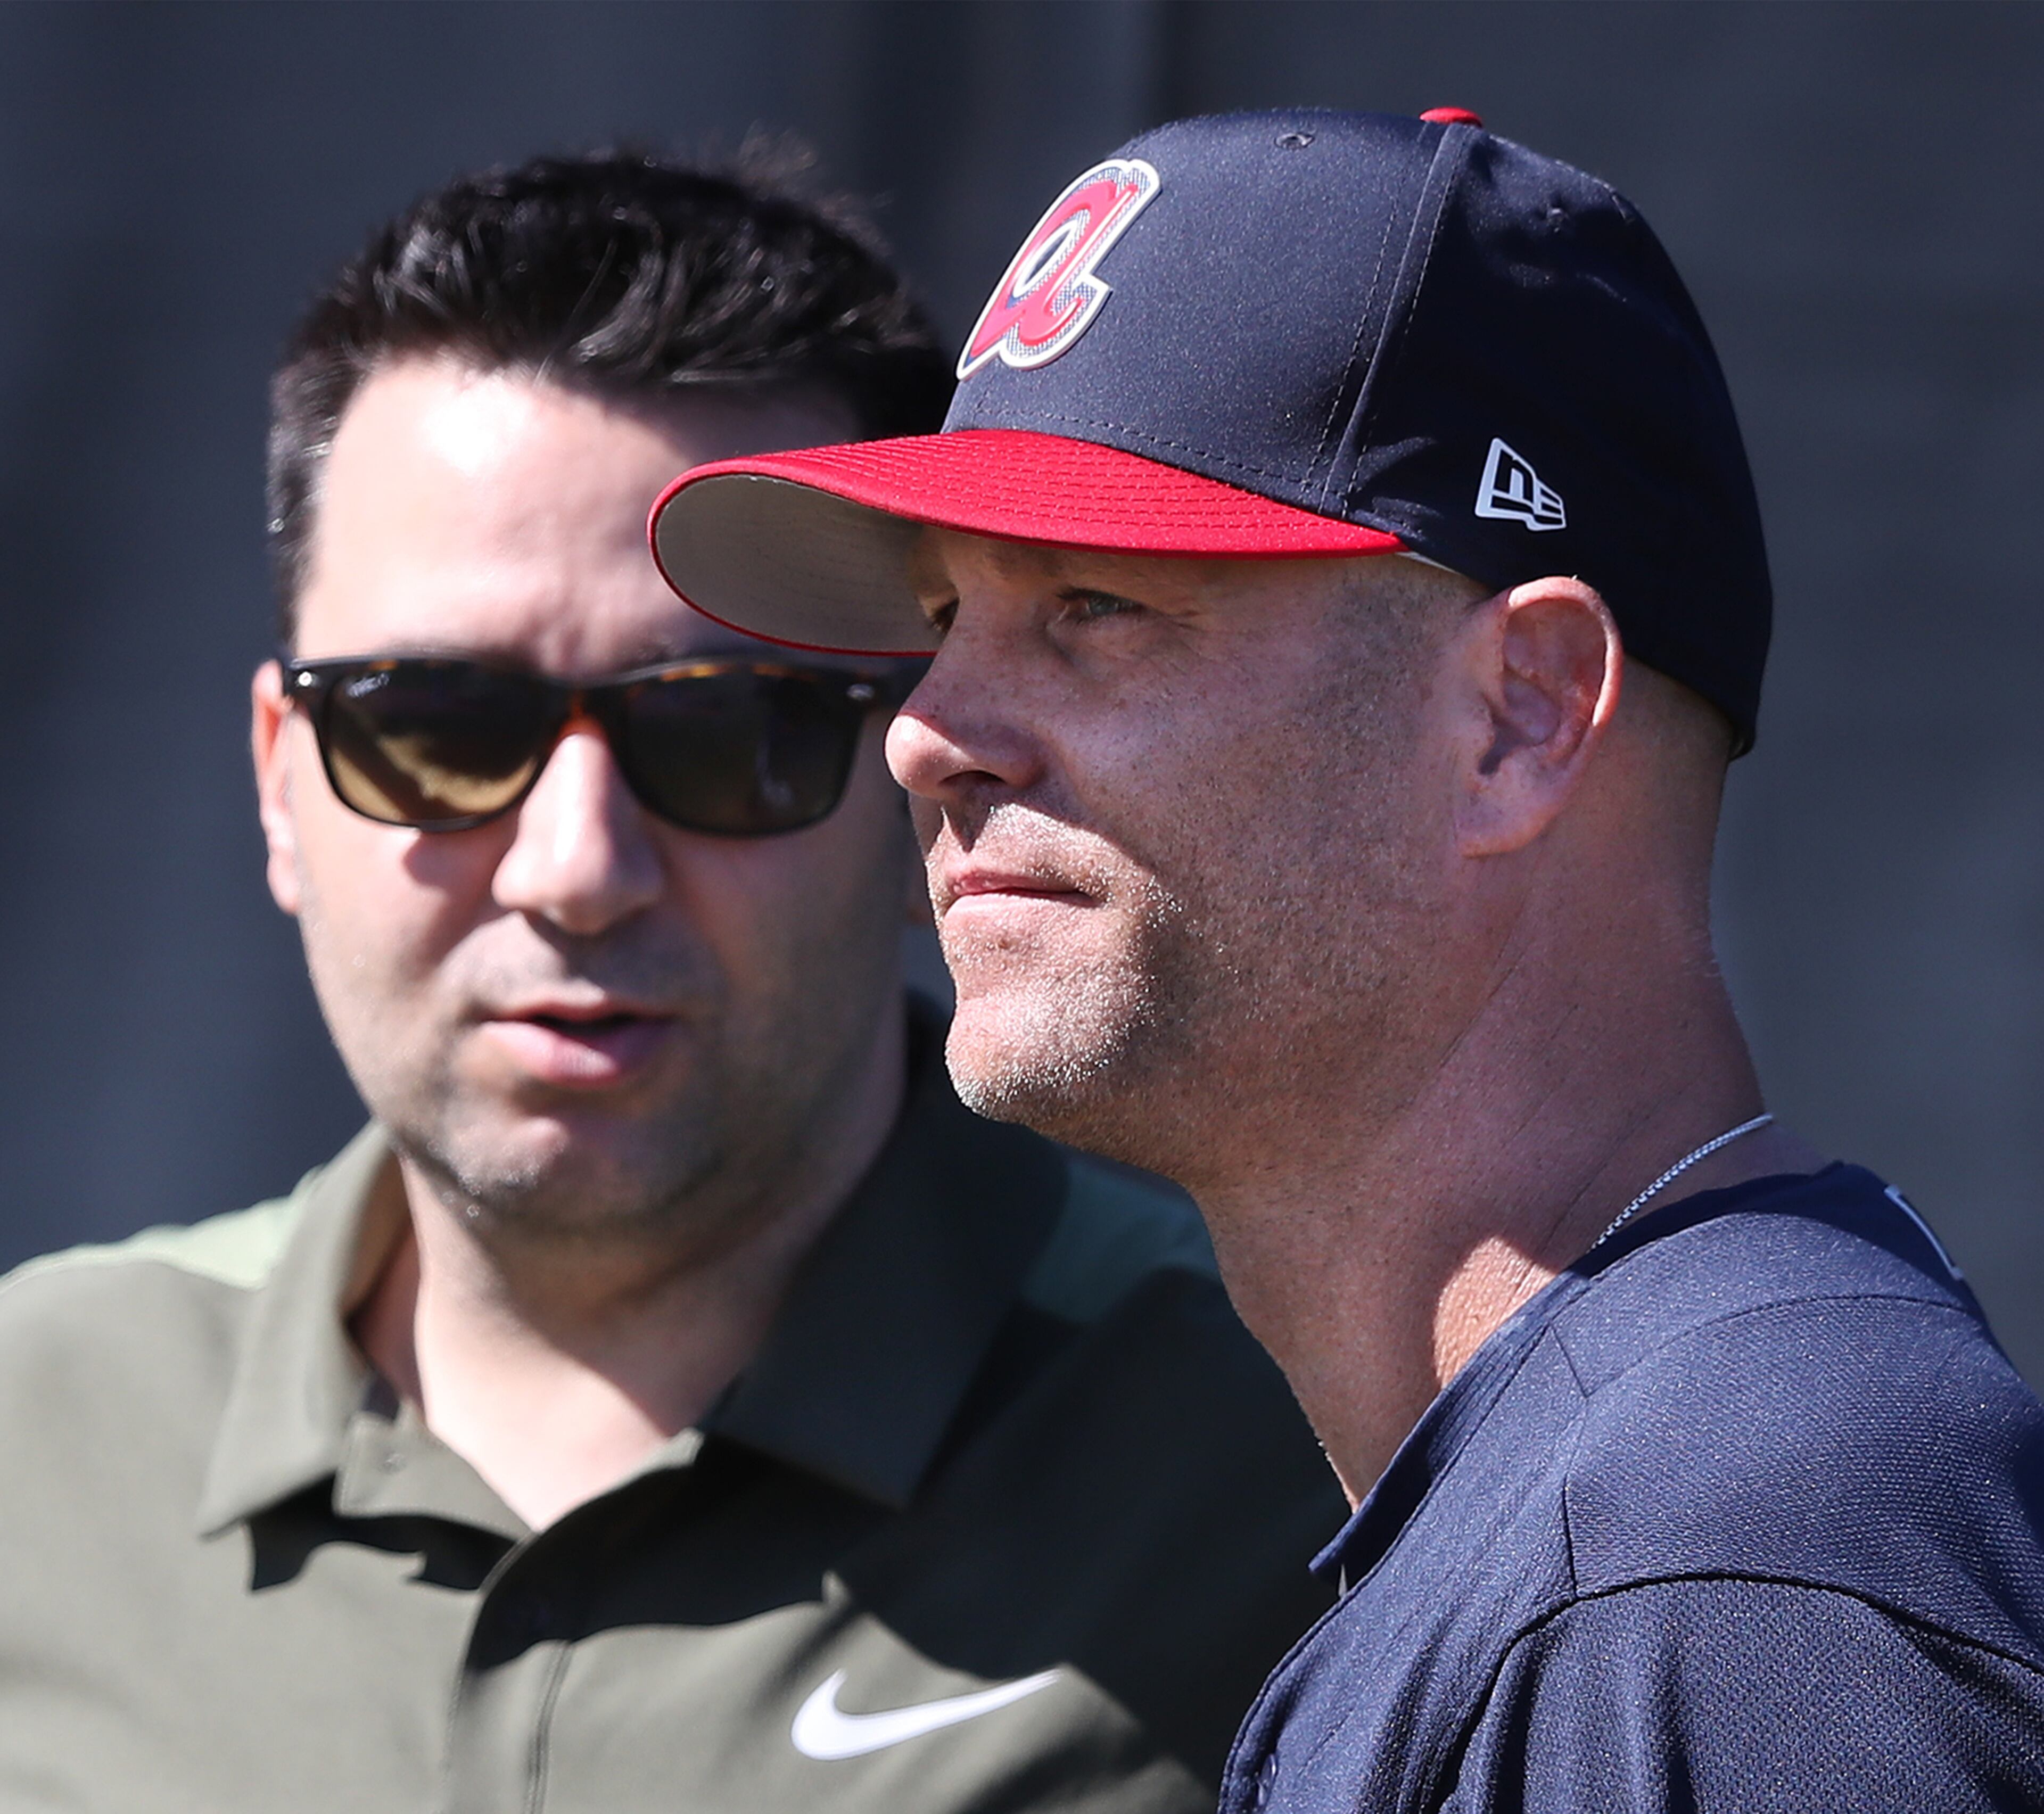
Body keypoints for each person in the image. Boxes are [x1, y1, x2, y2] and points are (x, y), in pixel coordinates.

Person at [648, 109, 2044, 1810]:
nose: (926, 734)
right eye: (947, 619)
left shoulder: (1720, 1578)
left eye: (1094, 604)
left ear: (1520, 717)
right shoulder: (1633, 1502)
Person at [0, 149, 1346, 1811]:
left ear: (921, 771)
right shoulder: (36, 1439)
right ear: (284, 781)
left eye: (733, 731)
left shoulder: (1291, 1464)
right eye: (435, 727)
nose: (574, 866)